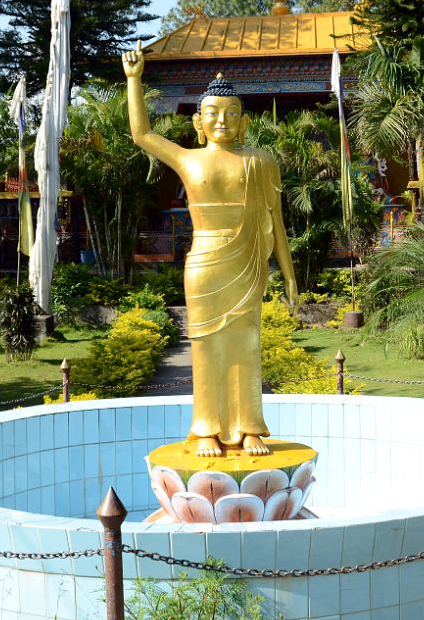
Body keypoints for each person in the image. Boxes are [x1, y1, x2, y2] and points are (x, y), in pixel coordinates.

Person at [122, 43, 299, 457]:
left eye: (231, 113)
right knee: (206, 347)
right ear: (199, 121)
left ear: (244, 122)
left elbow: (277, 222)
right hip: (205, 264)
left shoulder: (260, 161)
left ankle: (247, 427)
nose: (222, 121)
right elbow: (141, 134)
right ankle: (205, 429)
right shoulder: (188, 159)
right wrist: (134, 80)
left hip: (248, 263)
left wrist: (290, 275)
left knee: (246, 343)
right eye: (213, 114)